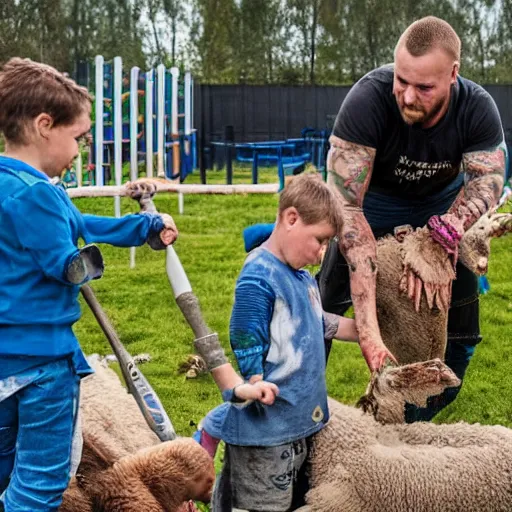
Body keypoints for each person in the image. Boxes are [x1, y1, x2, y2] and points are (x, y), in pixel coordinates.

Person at [0, 58, 178, 512]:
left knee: (3, 471)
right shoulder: (35, 192)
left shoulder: (15, 184)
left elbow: (79, 222)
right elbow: (64, 261)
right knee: (40, 485)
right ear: (44, 126)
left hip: (5, 359)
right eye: (77, 138)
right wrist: (84, 265)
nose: (80, 151)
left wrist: (144, 227)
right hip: (43, 365)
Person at [318, 16, 507, 422]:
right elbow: (347, 209)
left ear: (453, 75)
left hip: (440, 210)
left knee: (463, 334)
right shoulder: (368, 98)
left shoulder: (477, 107)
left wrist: (447, 234)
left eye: (424, 87)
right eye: (401, 81)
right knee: (320, 308)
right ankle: (302, 414)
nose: (406, 96)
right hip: (371, 207)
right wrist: (367, 331)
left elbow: (488, 179)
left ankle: (407, 423)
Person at [201, 174, 393, 512]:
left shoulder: (301, 276)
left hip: (297, 425)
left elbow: (317, 322)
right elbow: (245, 336)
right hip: (266, 435)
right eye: (319, 241)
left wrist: (368, 331)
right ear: (291, 218)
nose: (321, 254)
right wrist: (254, 381)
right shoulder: (260, 277)